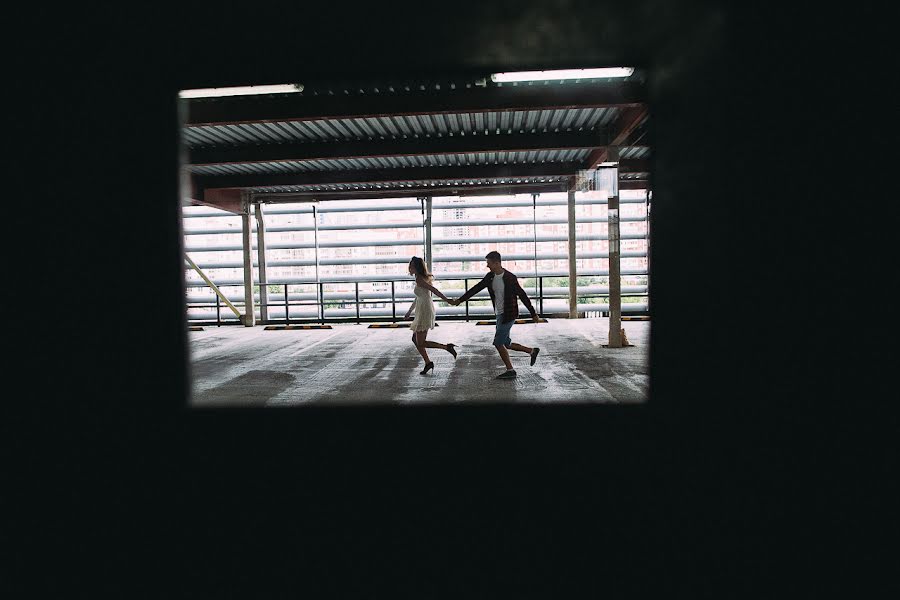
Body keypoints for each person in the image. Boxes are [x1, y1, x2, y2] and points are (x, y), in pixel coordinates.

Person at [448, 251, 540, 379]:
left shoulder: (510, 278)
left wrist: (533, 313)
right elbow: (476, 288)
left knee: (498, 343)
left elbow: (522, 295)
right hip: (499, 314)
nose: (487, 266)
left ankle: (510, 370)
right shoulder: (490, 277)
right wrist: (460, 300)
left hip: (509, 314)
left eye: (489, 263)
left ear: (497, 263)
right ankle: (532, 351)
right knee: (506, 343)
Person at [403, 256, 458, 375]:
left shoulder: (420, 280)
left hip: (424, 311)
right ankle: (428, 362)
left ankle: (447, 347)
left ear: (416, 267)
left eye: (411, 266)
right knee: (415, 339)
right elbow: (418, 297)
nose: (409, 268)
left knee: (421, 342)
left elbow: (434, 290)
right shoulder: (420, 278)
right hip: (422, 309)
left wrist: (447, 300)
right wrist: (409, 311)